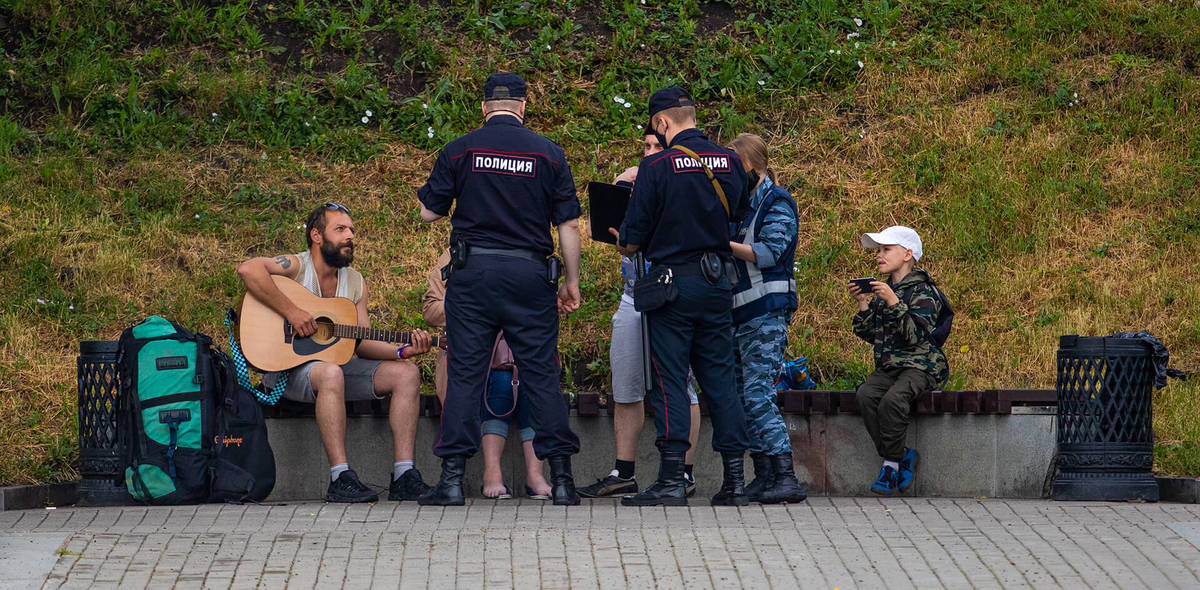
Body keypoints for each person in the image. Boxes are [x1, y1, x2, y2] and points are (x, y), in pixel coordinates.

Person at [416, 72, 583, 506]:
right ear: (523, 107)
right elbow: (567, 223)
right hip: (531, 277)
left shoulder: (460, 148)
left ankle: (452, 480)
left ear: (485, 107)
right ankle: (562, 480)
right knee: (542, 374)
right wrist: (570, 280)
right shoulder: (549, 154)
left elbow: (427, 215)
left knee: (466, 373)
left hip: (474, 278)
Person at [610, 86, 753, 506]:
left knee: (670, 379)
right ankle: (734, 482)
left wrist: (625, 239)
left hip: (672, 286)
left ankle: (672, 480)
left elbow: (632, 240)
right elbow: (738, 215)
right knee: (721, 381)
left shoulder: (657, 165)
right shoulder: (729, 160)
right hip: (716, 285)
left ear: (662, 123)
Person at [237, 202, 434, 503]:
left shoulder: (354, 282)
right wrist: (292, 312)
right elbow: (248, 269)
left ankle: (404, 475)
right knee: (330, 371)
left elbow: (362, 342)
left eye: (352, 229)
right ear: (316, 235)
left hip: (337, 371)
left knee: (406, 375)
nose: (349, 235)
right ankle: (340, 477)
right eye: (340, 229)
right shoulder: (297, 266)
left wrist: (403, 351)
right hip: (287, 371)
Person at [578, 128, 702, 499]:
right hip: (633, 297)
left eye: (654, 146)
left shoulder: (679, 182)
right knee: (626, 385)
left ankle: (684, 473)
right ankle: (623, 470)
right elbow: (603, 235)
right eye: (644, 146)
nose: (647, 152)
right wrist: (617, 192)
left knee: (682, 385)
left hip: (670, 296)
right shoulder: (636, 183)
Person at [422, 248, 553, 499]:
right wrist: (470, 306)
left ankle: (536, 477)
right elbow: (430, 310)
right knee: (502, 383)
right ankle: (492, 475)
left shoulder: (521, 250)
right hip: (468, 359)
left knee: (527, 381)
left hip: (513, 354)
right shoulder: (453, 255)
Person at [726, 133, 806, 504]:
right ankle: (765, 473)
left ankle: (786, 476)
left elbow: (770, 252)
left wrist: (721, 242)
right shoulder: (740, 208)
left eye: (735, 167)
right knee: (746, 397)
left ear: (754, 167)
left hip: (767, 314)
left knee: (758, 393)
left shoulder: (777, 201)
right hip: (742, 316)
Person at [848, 225, 949, 495]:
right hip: (889, 366)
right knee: (866, 395)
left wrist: (893, 302)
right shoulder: (886, 290)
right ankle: (901, 454)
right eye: (878, 250)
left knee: (893, 400)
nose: (879, 255)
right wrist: (862, 304)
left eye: (886, 249)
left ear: (907, 254)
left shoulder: (924, 292)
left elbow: (915, 336)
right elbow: (871, 334)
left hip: (921, 367)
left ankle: (890, 465)